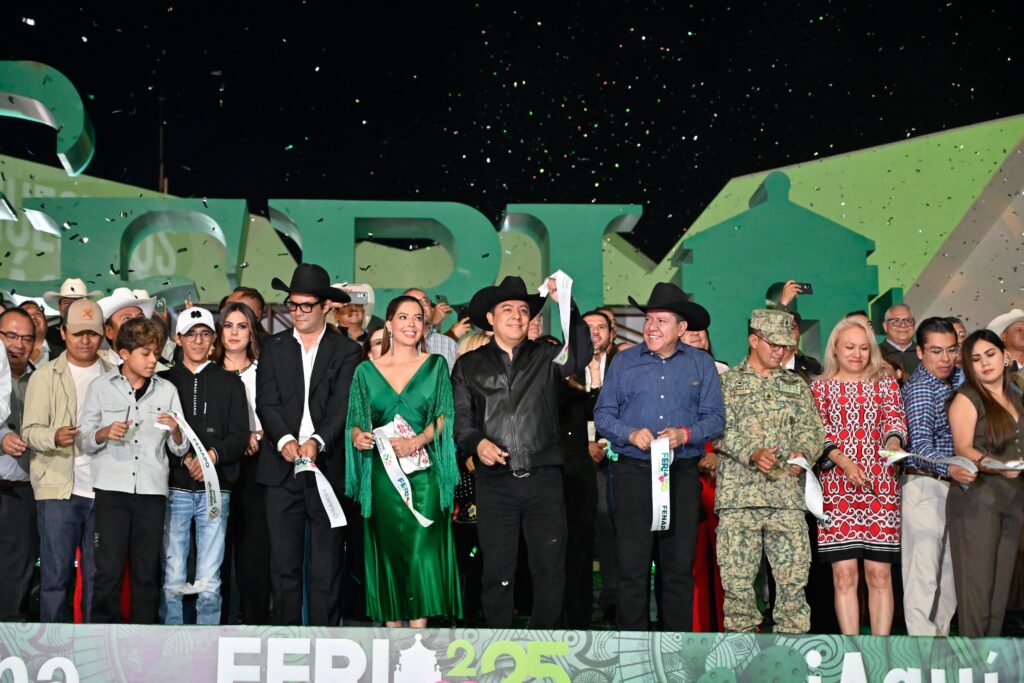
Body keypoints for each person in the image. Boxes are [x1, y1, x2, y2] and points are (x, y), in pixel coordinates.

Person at [453, 274, 591, 628]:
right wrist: (477, 443)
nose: (517, 316)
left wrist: (568, 305)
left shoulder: (546, 356)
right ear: (490, 318)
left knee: (549, 569)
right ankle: (499, 644)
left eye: (524, 310)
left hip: (543, 479)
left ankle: (545, 643)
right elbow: (461, 421)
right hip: (495, 482)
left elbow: (580, 354)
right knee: (497, 570)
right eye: (508, 309)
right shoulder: (469, 365)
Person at [594, 282, 724, 632]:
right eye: (648, 319)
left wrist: (686, 435)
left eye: (661, 320)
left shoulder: (701, 364)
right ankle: (633, 648)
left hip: (681, 474)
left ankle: (676, 647)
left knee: (678, 567)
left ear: (682, 328)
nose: (651, 327)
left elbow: (715, 418)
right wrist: (629, 433)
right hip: (632, 474)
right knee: (632, 567)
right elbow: (603, 415)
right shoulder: (624, 361)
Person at [256, 263, 362, 626]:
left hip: (326, 468)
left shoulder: (346, 350)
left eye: (306, 305)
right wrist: (285, 439)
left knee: (327, 565)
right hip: (281, 469)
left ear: (326, 306)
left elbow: (342, 405)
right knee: (283, 564)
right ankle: (287, 640)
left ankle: (325, 641)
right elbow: (266, 401)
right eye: (292, 304)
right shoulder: (273, 347)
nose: (298, 312)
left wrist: (317, 440)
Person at [346, 295, 461, 627]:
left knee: (422, 551)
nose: (411, 324)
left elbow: (445, 415)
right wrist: (358, 437)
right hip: (383, 476)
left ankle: (419, 637)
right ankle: (392, 637)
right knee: (389, 551)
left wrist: (417, 441)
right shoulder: (365, 371)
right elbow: (355, 421)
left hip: (424, 476)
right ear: (389, 324)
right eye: (403, 317)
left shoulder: (436, 365)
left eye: (418, 318)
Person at [715, 309, 824, 633]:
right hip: (739, 499)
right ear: (753, 340)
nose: (780, 351)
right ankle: (741, 651)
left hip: (786, 498)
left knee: (793, 585)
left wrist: (804, 453)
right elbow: (716, 428)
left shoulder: (795, 386)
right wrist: (750, 452)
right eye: (773, 344)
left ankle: (792, 653)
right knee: (737, 586)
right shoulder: (726, 383)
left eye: (785, 345)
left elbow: (813, 430)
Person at [77, 317, 189, 623]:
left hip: (152, 492)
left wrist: (177, 431)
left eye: (156, 353)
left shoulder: (167, 390)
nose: (153, 360)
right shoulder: (101, 387)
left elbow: (179, 449)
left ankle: (145, 639)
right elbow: (83, 440)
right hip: (111, 490)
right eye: (146, 353)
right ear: (124, 354)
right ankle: (103, 637)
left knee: (147, 571)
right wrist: (103, 433)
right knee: (108, 570)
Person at [811, 316, 908, 635]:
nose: (857, 354)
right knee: (844, 576)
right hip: (836, 490)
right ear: (835, 350)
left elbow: (896, 422)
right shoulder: (819, 387)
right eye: (850, 347)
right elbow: (818, 435)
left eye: (864, 348)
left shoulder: (885, 383)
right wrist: (845, 464)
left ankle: (880, 650)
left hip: (880, 487)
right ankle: (852, 650)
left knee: (880, 575)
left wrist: (893, 442)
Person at [22, 299, 113, 622]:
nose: (85, 340)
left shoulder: (115, 375)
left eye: (92, 333)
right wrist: (54, 437)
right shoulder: (45, 377)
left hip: (104, 489)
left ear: (103, 334)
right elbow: (29, 431)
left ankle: (94, 646)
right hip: (59, 488)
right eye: (77, 333)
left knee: (98, 579)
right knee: (55, 578)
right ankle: (52, 645)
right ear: (63, 332)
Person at [160, 308, 249, 624]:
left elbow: (239, 436)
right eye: (191, 334)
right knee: (173, 573)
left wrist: (211, 455)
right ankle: (170, 639)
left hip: (217, 489)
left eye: (205, 334)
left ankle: (208, 641)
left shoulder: (230, 382)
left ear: (214, 339)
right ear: (178, 338)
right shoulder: (164, 381)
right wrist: (185, 458)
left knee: (210, 578)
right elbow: (156, 433)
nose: (198, 340)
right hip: (175, 488)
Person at [946, 330, 1024, 637]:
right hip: (977, 501)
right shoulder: (966, 398)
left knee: (1000, 590)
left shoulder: (1017, 394)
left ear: (1005, 355)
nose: (985, 363)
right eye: (976, 359)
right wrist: (999, 467)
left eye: (990, 354)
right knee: (976, 589)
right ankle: (972, 657)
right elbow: (963, 448)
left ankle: (990, 656)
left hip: (1013, 499)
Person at [899, 317, 968, 636]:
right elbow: (919, 446)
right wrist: (950, 467)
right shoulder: (921, 389)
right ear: (920, 351)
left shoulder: (956, 382)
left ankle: (939, 645)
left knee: (949, 575)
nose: (945, 358)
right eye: (936, 351)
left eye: (951, 350)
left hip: (953, 485)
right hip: (925, 484)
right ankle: (920, 648)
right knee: (923, 573)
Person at [212, 301, 271, 624]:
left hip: (258, 469)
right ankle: (215, 624)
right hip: (217, 469)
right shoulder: (208, 372)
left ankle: (255, 623)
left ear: (252, 332)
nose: (234, 333)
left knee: (254, 554)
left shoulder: (266, 371)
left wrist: (259, 435)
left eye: (242, 326)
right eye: (228, 325)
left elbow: (279, 413)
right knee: (215, 552)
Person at [679, 319, 727, 631]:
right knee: (691, 558)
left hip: (723, 471)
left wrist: (719, 455)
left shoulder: (726, 374)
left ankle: (731, 628)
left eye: (701, 330)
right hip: (684, 468)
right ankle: (695, 629)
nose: (697, 334)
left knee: (728, 557)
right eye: (690, 330)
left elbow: (735, 423)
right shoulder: (666, 374)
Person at [0, 308, 40, 620]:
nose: (18, 344)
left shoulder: (43, 381)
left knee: (18, 570)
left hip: (23, 491)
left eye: (26, 338)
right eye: (10, 336)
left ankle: (11, 637)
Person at [42, 278, 103, 360]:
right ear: (59, 307)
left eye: (77, 303)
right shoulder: (47, 335)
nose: (72, 307)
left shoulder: (99, 333)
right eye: (67, 303)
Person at [97, 287, 156, 367]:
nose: (137, 324)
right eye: (127, 318)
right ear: (109, 331)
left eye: (140, 318)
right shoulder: (95, 365)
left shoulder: (159, 369)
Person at [405, 289, 459, 371]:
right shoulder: (393, 343)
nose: (421, 305)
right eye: (414, 301)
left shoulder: (449, 344)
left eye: (425, 301)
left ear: (431, 309)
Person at [881, 303, 920, 376]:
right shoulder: (875, 354)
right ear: (885, 326)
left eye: (908, 321)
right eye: (896, 321)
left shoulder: (924, 353)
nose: (903, 325)